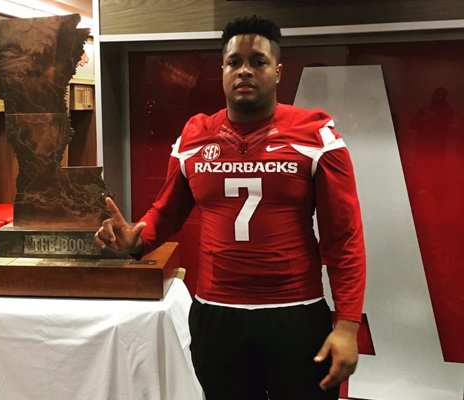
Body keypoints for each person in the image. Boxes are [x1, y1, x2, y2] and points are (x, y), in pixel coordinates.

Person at [95, 15, 366, 400]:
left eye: (258, 61)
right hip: (217, 313)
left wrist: (347, 325)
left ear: (278, 71)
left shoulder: (315, 134)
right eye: (234, 62)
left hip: (295, 311)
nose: (245, 71)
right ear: (221, 69)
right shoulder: (194, 135)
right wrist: (134, 241)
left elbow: (345, 238)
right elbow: (167, 213)